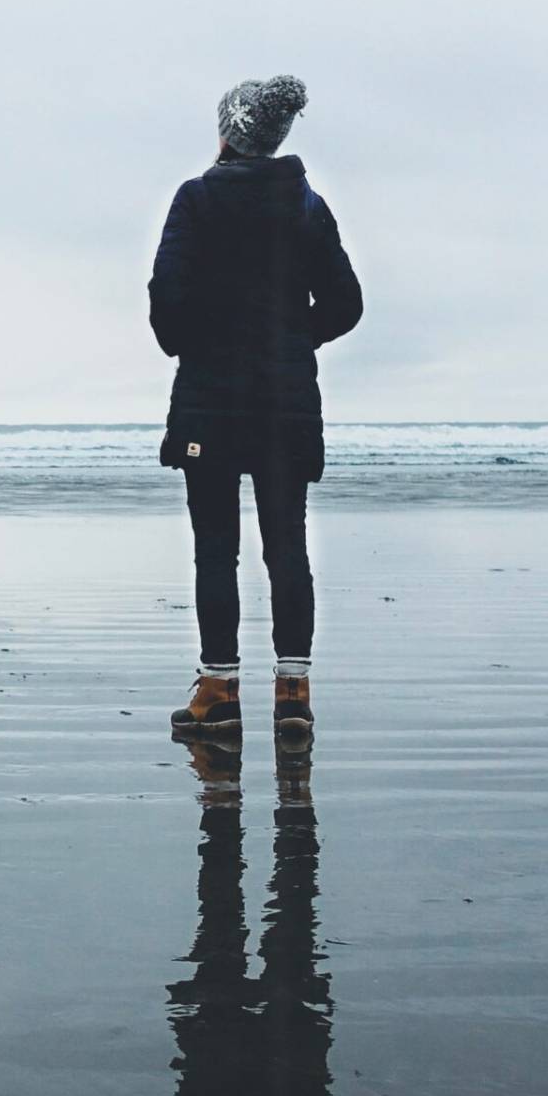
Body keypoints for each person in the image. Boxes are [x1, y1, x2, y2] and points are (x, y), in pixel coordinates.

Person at [148, 75, 362, 752]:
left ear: (228, 132)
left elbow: (166, 302)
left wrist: (195, 341)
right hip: (286, 404)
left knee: (216, 550)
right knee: (287, 548)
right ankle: (293, 696)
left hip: (210, 405)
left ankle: (218, 695)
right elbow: (346, 305)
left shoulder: (197, 200)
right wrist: (295, 338)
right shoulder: (307, 206)